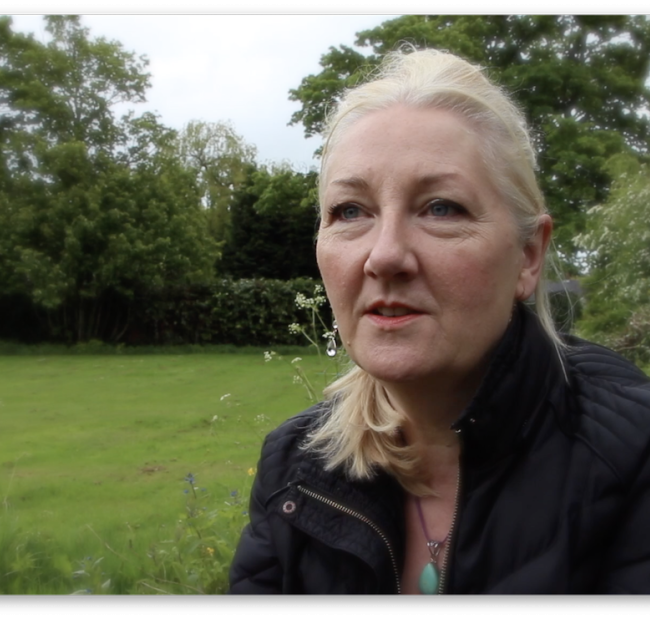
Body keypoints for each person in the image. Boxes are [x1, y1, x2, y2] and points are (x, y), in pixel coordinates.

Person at [228, 49, 650, 594]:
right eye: (350, 211)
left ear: (527, 255)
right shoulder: (295, 467)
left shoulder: (634, 457)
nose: (384, 256)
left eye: (441, 208)